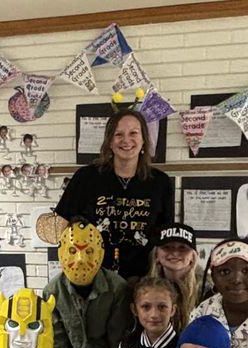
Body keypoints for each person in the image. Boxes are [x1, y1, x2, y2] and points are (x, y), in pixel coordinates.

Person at [55, 109, 174, 279]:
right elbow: (62, 223)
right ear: (109, 141)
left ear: (143, 140)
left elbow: (166, 234)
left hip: (143, 279)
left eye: (133, 133)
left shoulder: (160, 182)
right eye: (118, 134)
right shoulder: (86, 177)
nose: (126, 140)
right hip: (92, 275)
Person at [44, 218, 131, 348]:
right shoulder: (52, 291)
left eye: (89, 251)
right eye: (72, 251)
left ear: (99, 253)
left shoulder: (117, 287)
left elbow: (117, 337)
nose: (81, 259)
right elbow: (58, 342)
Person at [147, 222, 200, 330]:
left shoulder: (206, 289)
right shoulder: (143, 288)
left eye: (182, 248)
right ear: (156, 254)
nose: (175, 253)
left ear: (193, 256)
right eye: (167, 247)